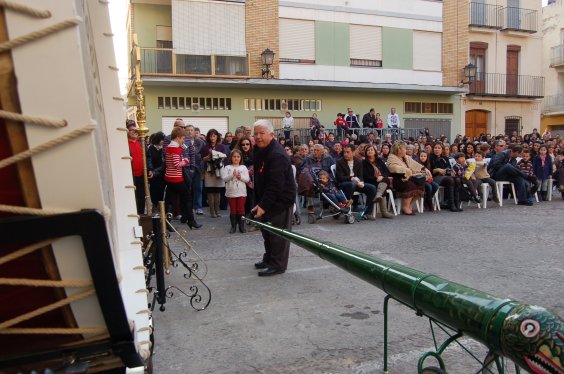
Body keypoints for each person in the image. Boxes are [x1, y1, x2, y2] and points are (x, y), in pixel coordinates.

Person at [252, 119, 296, 277]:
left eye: (261, 133)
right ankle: (269, 259)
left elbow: (275, 185)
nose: (258, 137)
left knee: (277, 235)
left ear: (271, 135)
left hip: (280, 200)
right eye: (255, 133)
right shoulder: (259, 149)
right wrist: (259, 202)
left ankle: (278, 265)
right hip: (266, 198)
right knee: (267, 232)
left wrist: (263, 205)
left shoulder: (276, 154)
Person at [164, 126, 201, 229]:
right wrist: (186, 160)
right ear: (178, 137)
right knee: (187, 198)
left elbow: (185, 148)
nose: (184, 140)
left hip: (170, 177)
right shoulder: (174, 149)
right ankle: (191, 220)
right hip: (176, 178)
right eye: (183, 138)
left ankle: (167, 223)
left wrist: (182, 145)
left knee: (171, 201)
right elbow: (176, 164)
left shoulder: (170, 147)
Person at [335, 144, 377, 219]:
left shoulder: (358, 161)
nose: (345, 154)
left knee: (372, 188)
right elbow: (340, 177)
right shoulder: (339, 162)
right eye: (344, 152)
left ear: (353, 152)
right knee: (351, 185)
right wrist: (351, 178)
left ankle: (366, 213)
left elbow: (360, 176)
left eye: (348, 152)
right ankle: (347, 210)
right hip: (344, 184)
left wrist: (361, 182)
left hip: (356, 183)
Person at [386, 141, 426, 216]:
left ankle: (409, 205)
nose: (406, 150)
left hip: (408, 177)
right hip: (398, 179)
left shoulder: (406, 157)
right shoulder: (391, 157)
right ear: (399, 149)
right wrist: (405, 170)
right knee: (410, 185)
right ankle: (405, 207)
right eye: (404, 149)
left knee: (421, 184)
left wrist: (424, 169)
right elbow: (393, 168)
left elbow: (416, 165)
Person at [126, 119, 152, 215]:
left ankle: (140, 214)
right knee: (132, 196)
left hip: (142, 174)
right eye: (131, 130)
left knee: (141, 196)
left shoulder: (142, 142)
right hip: (130, 175)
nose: (134, 131)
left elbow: (148, 156)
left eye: (135, 129)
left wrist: (149, 169)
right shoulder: (124, 143)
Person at [221, 149, 250, 233]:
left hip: (241, 192)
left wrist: (240, 177)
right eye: (234, 157)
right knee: (233, 210)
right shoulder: (227, 167)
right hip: (231, 192)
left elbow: (247, 180)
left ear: (240, 158)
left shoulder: (243, 167)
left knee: (241, 209)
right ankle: (233, 227)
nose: (236, 158)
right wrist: (232, 175)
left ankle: (241, 226)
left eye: (238, 157)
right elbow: (224, 178)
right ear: (231, 157)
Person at [200, 129, 227, 217]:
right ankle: (212, 212)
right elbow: (203, 159)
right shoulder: (205, 147)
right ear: (208, 137)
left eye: (214, 136)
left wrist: (215, 154)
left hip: (218, 170)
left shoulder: (221, 146)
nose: (212, 138)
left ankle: (217, 211)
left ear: (217, 137)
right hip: (209, 171)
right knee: (210, 190)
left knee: (218, 191)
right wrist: (209, 155)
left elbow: (223, 157)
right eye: (211, 136)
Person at [362, 145, 394, 218]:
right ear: (366, 153)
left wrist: (381, 176)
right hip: (371, 181)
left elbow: (386, 171)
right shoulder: (364, 162)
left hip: (381, 180)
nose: (370, 151)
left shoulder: (379, 160)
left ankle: (378, 195)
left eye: (371, 150)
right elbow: (365, 175)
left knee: (385, 179)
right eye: (368, 150)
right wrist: (376, 178)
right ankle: (384, 212)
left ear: (375, 152)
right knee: (384, 184)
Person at [430, 142, 462, 212]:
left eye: (439, 148)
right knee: (450, 180)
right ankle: (451, 204)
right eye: (435, 148)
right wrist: (437, 170)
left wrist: (451, 171)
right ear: (433, 149)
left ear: (442, 150)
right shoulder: (430, 157)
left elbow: (449, 168)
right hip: (435, 177)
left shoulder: (445, 158)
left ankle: (457, 203)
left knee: (457, 179)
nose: (437, 149)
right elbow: (429, 170)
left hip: (445, 177)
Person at [148, 131, 165, 211]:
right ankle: (154, 204)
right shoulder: (151, 148)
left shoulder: (164, 149)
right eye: (162, 139)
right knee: (154, 189)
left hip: (162, 173)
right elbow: (149, 160)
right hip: (153, 173)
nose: (163, 141)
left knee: (161, 189)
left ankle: (160, 205)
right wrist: (152, 170)